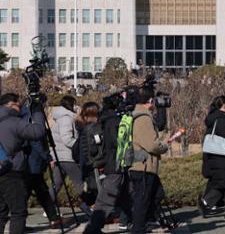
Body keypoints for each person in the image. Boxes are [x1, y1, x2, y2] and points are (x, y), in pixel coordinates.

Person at [84, 93, 132, 234]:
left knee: (126, 196)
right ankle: (92, 229)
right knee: (106, 201)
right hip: (115, 165)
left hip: (113, 164)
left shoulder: (105, 120)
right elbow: (117, 144)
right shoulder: (113, 122)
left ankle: (133, 221)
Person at [0, 93, 46, 234]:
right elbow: (37, 132)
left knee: (1, 211)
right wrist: (37, 111)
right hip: (11, 170)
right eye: (19, 105)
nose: (20, 108)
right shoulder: (13, 122)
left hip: (2, 168)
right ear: (11, 104)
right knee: (18, 212)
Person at [129, 88, 170, 234]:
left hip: (141, 165)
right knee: (143, 199)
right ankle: (138, 228)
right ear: (151, 101)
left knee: (157, 193)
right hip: (143, 166)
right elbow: (151, 144)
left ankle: (144, 222)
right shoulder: (144, 118)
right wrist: (164, 146)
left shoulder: (136, 114)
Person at [20, 104, 62, 229]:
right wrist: (47, 157)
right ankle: (53, 219)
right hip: (33, 162)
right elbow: (36, 141)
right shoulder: (33, 116)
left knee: (37, 191)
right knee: (36, 191)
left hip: (30, 162)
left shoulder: (24, 115)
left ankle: (53, 218)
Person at [49, 95, 91, 215]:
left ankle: (49, 208)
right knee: (79, 182)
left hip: (59, 156)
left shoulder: (61, 117)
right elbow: (67, 138)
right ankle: (88, 205)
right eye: (75, 104)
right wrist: (80, 147)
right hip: (67, 157)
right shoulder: (66, 118)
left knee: (56, 184)